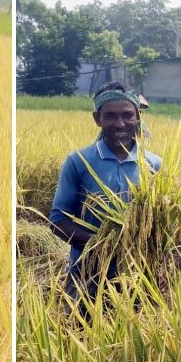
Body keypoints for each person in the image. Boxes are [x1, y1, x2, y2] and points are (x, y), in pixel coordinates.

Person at [49, 82, 162, 302]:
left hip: (139, 276)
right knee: (80, 332)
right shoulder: (79, 161)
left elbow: (160, 222)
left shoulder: (153, 165)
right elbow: (58, 220)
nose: (120, 123)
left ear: (138, 116)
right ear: (97, 119)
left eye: (127, 115)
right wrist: (104, 246)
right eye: (110, 116)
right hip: (86, 273)